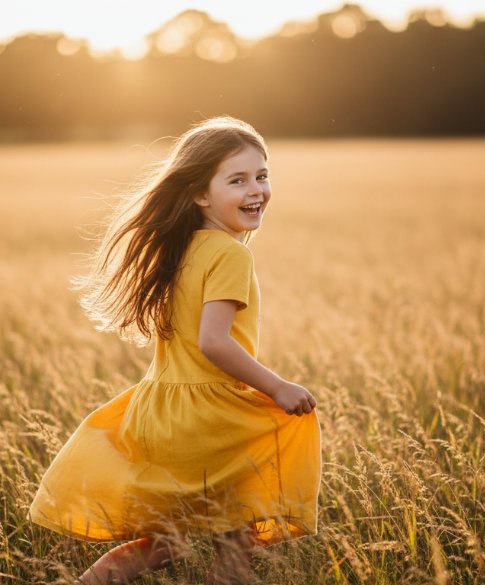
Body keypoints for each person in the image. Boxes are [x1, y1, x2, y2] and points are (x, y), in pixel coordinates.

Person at [29, 116, 321, 584]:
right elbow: (213, 341)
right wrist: (278, 386)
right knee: (239, 531)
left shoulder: (181, 247)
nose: (256, 190)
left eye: (262, 176)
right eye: (238, 180)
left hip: (160, 412)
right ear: (201, 194)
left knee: (167, 540)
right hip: (207, 420)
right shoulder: (230, 253)